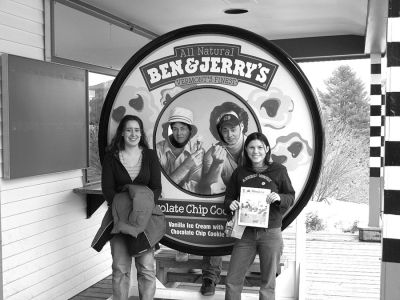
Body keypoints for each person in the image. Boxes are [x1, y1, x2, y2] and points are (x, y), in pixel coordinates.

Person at [224, 132, 295, 300]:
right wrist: (230, 204)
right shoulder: (240, 172)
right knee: (232, 281)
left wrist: (279, 198)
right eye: (251, 147)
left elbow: (290, 196)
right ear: (246, 150)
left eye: (260, 147)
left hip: (271, 233)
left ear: (267, 149)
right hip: (245, 233)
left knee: (268, 283)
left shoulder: (279, 170)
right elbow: (228, 198)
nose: (256, 151)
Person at [102, 115, 162, 300]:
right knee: (120, 269)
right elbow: (108, 190)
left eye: (137, 130)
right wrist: (125, 211)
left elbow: (156, 188)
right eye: (128, 130)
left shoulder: (150, 156)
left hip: (144, 221)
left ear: (141, 133)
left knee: (146, 269)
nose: (133, 134)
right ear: (121, 133)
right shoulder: (111, 158)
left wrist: (141, 210)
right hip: (119, 221)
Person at [202, 102, 249, 195]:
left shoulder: (256, 148)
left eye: (233, 128)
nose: (229, 135)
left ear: (242, 125)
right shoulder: (211, 155)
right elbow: (208, 189)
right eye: (224, 129)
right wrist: (216, 164)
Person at [156, 106, 204, 193]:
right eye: (175, 129)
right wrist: (186, 165)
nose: (179, 133)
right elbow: (159, 186)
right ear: (170, 130)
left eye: (183, 128)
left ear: (190, 131)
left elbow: (194, 187)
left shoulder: (197, 151)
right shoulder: (158, 149)